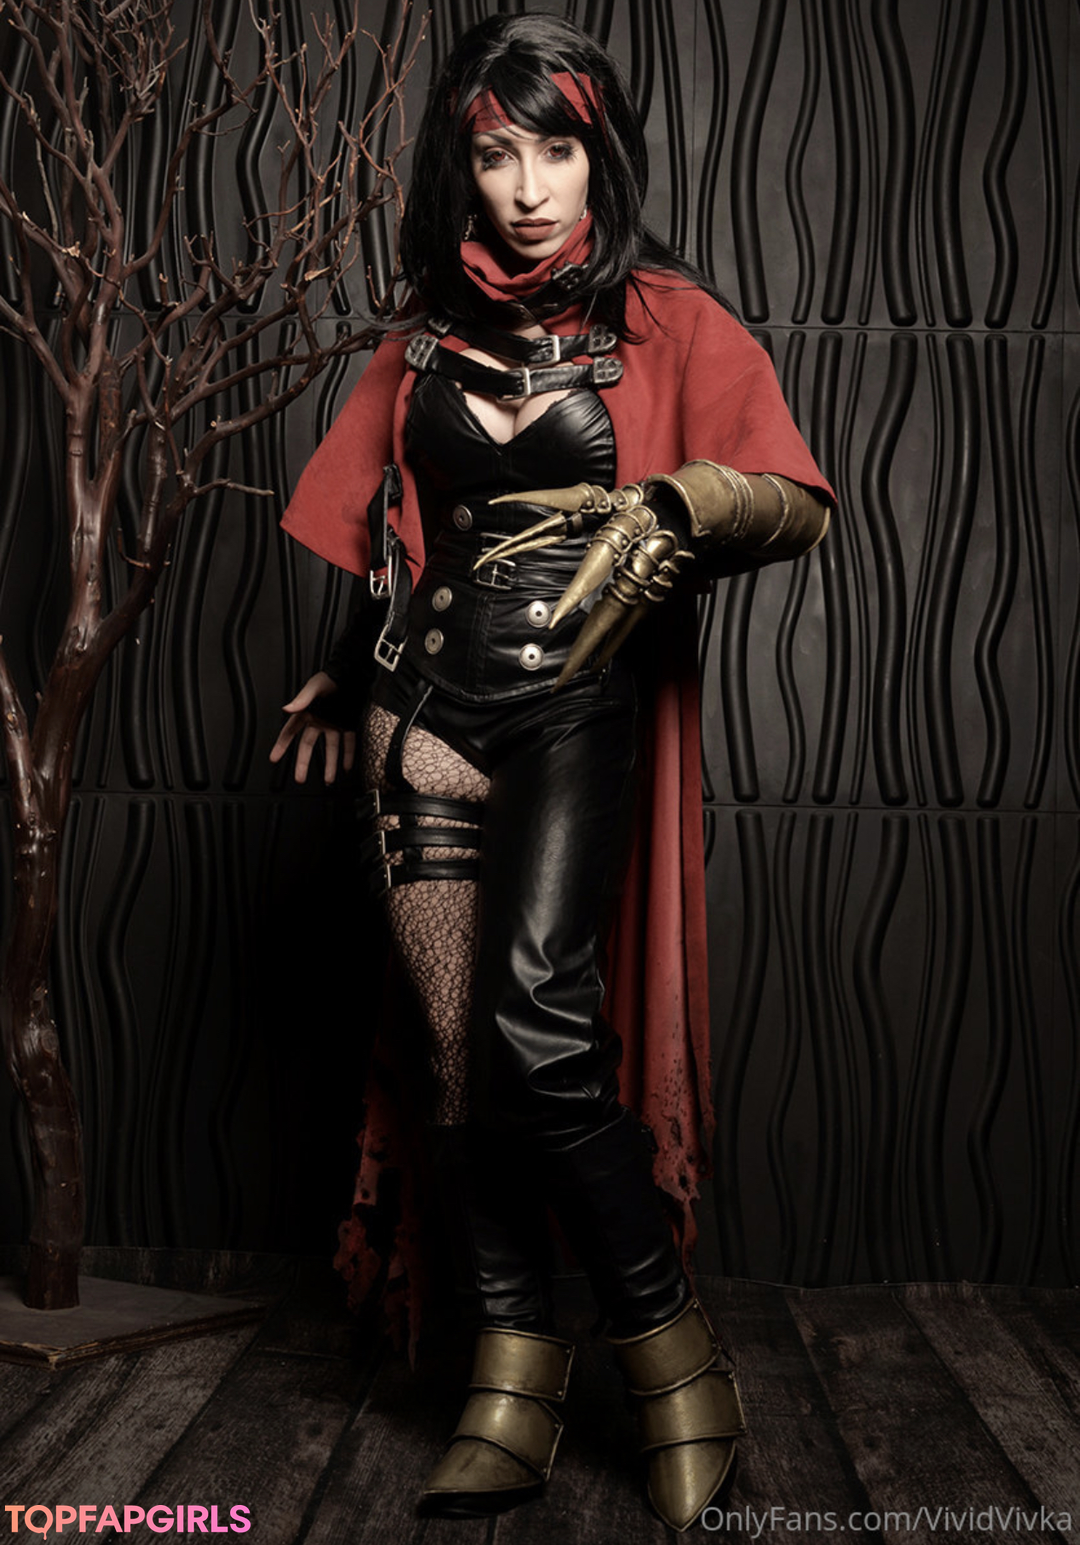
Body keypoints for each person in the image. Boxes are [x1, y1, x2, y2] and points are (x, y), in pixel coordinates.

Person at [271, 13, 833, 1532]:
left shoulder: (668, 320)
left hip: (574, 711)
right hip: (417, 722)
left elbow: (797, 498)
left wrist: (683, 501)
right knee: (459, 1064)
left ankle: (671, 1361)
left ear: (604, 155)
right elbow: (394, 524)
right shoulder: (420, 336)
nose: (527, 189)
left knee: (535, 1029)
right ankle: (510, 1380)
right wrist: (342, 665)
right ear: (460, 166)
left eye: (558, 149)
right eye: (497, 153)